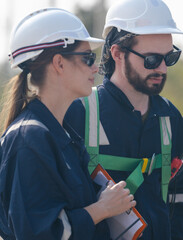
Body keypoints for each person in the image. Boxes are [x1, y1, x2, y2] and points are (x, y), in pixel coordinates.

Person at [0, 8, 136, 239]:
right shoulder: (29, 140)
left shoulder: (60, 134)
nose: (96, 67)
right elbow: (37, 234)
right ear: (59, 64)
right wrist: (101, 209)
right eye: (87, 58)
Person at [64, 0, 183, 239]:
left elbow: (180, 197)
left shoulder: (172, 120)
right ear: (118, 53)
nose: (163, 69)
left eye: (170, 57)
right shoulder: (76, 115)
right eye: (152, 59)